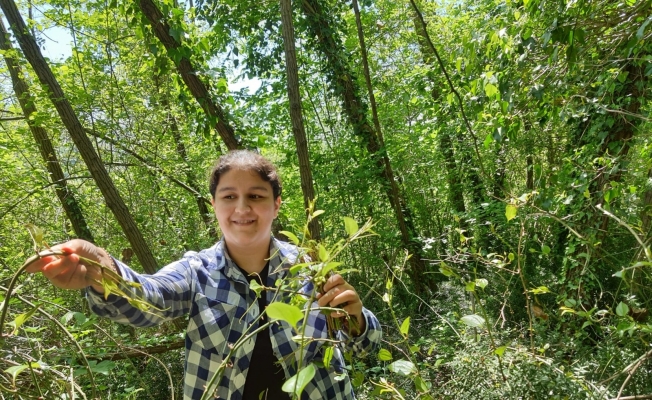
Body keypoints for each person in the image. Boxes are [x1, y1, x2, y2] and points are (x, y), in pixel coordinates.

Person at [27, 150, 382, 400]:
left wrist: (356, 319)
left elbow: (366, 349)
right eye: (229, 196)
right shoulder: (197, 272)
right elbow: (150, 300)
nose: (242, 208)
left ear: (275, 205)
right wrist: (103, 272)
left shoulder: (310, 267)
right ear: (214, 205)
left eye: (256, 196)